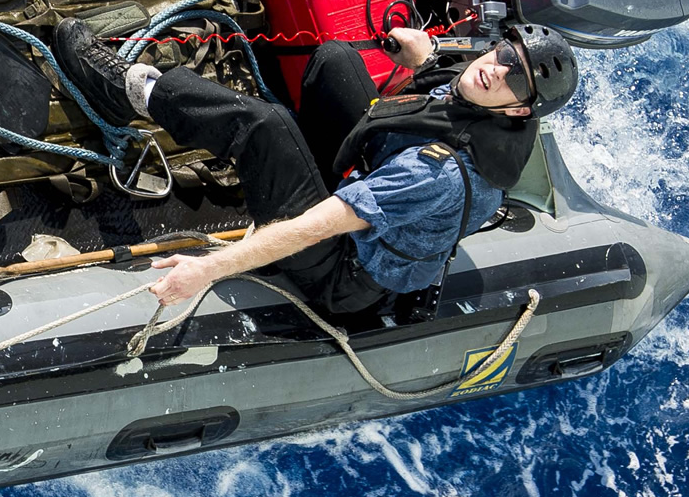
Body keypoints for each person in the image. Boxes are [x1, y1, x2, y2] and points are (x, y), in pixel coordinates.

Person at [54, 18, 579, 317]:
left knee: (265, 126)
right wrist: (428, 52)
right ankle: (281, 155)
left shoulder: (439, 174)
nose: (496, 71)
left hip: (342, 270)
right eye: (503, 54)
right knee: (336, 60)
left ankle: (125, 90)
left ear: (519, 111)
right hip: (369, 184)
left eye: (515, 78)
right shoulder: (485, 95)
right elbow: (447, 84)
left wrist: (208, 269)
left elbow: (317, 227)